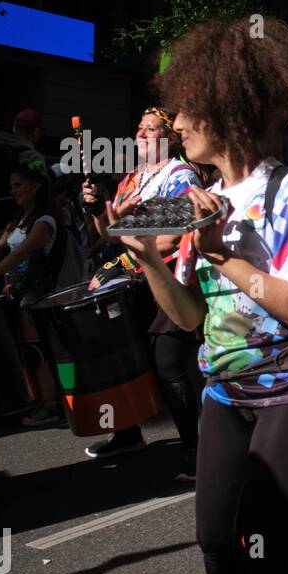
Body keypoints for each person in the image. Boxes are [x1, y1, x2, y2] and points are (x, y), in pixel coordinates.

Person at [115, 16, 288, 574]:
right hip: (223, 391)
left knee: (265, 548)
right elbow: (186, 319)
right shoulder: (199, 201)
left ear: (224, 111)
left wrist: (218, 253)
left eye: (185, 111)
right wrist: (148, 256)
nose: (176, 124)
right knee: (213, 537)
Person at [81, 109, 204, 473]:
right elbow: (110, 235)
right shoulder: (133, 180)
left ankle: (195, 447)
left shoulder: (179, 175)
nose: (141, 134)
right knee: (127, 355)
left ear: (168, 138)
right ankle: (128, 433)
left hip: (170, 281)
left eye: (150, 130)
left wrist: (125, 263)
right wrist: (95, 209)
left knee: (168, 364)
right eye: (139, 128)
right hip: (136, 282)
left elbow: (175, 234)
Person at [0, 161, 65, 426]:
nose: (13, 191)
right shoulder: (18, 219)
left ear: (35, 187)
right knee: (31, 349)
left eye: (18, 185)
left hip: (38, 290)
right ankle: (44, 399)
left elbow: (22, 252)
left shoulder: (44, 220)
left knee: (37, 349)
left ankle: (51, 403)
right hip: (20, 291)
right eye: (11, 186)